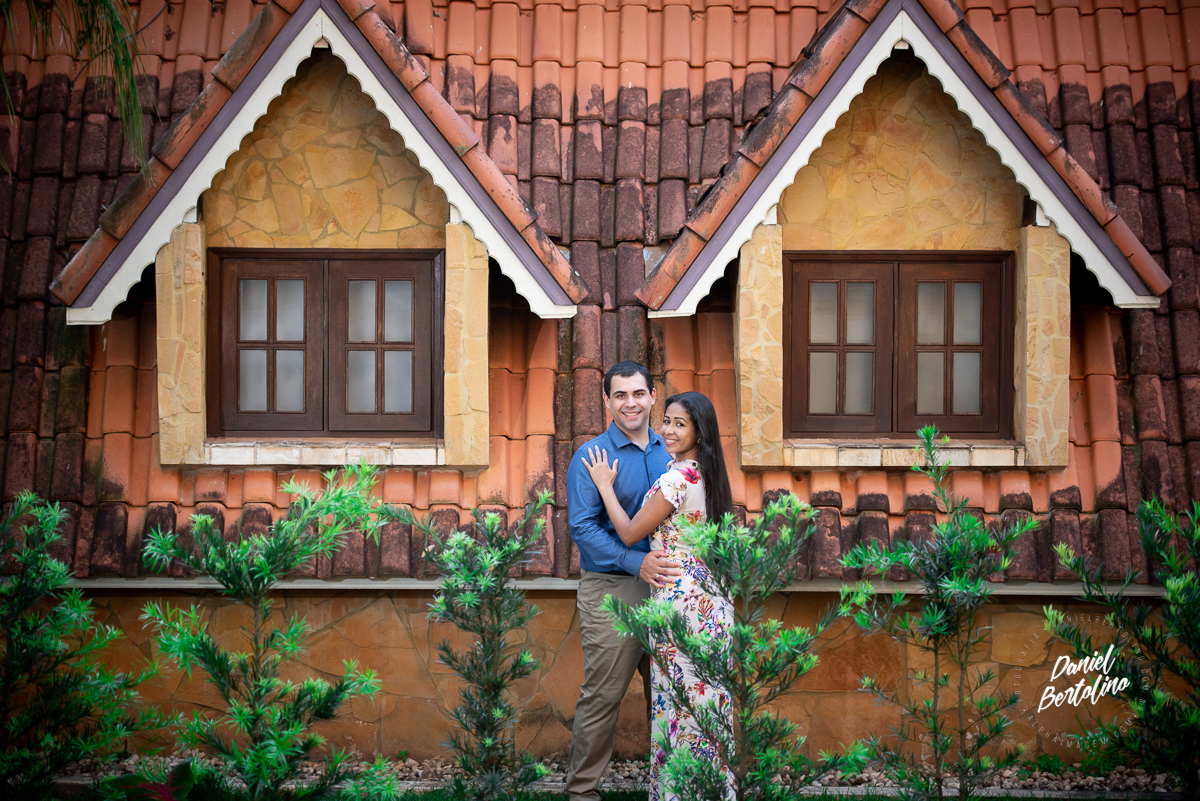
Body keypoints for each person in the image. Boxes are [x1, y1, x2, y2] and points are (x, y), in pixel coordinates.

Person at [583, 391, 735, 801]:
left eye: (679, 423)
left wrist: (605, 487)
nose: (667, 429)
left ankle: (679, 793)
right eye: (666, 420)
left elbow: (631, 533)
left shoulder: (676, 478)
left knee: (679, 704)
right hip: (712, 599)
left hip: (680, 599)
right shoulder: (708, 474)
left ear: (699, 431)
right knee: (706, 705)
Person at [564, 361, 683, 801]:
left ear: (653, 395)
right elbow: (584, 529)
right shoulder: (592, 457)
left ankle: (673, 786)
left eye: (638, 394)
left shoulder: (672, 450)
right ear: (606, 400)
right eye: (620, 395)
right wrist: (638, 564)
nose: (630, 403)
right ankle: (582, 793)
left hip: (672, 590)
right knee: (603, 695)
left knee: (671, 692)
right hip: (613, 590)